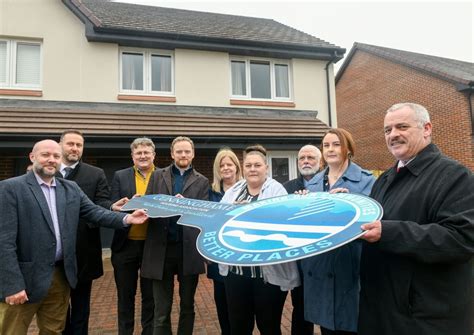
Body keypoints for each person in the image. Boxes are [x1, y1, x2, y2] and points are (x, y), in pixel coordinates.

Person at [0, 139, 148, 335]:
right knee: (12, 331)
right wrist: (12, 284)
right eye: (46, 155)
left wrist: (128, 218)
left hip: (60, 277)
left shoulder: (70, 188)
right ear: (32, 157)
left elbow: (96, 213)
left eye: (55, 156)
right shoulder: (10, 188)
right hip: (25, 279)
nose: (51, 160)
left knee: (54, 330)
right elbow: (4, 241)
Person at [359, 103, 474, 335]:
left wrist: (388, 233)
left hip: (423, 318)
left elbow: (461, 239)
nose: (393, 135)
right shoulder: (385, 179)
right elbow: (372, 226)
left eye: (402, 126)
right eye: (387, 130)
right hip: (381, 311)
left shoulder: (454, 176)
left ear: (427, 129)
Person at [218, 145, 300, 335]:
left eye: (257, 165)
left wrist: (251, 214)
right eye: (248, 165)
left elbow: (284, 225)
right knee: (238, 327)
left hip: (266, 277)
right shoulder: (233, 192)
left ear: (266, 168)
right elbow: (219, 222)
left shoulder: (277, 190)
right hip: (236, 273)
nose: (252, 169)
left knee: (269, 327)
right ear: (243, 168)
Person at [300, 129, 375, 335]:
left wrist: (347, 205)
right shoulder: (312, 184)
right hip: (320, 271)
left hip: (350, 270)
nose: (330, 149)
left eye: (336, 144)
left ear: (348, 149)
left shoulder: (366, 181)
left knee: (353, 326)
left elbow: (373, 222)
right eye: (326, 145)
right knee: (327, 329)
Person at [142, 136, 209, 335]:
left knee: (187, 306)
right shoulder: (157, 176)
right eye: (179, 151)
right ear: (172, 154)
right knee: (161, 309)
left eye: (187, 151)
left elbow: (203, 215)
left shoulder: (202, 181)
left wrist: (186, 205)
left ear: (193, 154)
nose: (183, 155)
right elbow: (148, 207)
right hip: (161, 249)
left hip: (188, 250)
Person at [57, 130, 113, 335]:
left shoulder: (95, 173)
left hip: (83, 250)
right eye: (70, 144)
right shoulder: (47, 171)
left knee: (81, 307)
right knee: (58, 309)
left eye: (79, 145)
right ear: (60, 145)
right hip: (55, 254)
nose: (74, 148)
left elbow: (102, 203)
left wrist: (112, 208)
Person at [110, 137, 156, 335]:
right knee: (125, 297)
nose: (143, 156)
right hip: (125, 245)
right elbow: (111, 206)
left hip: (153, 246)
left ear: (154, 155)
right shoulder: (120, 176)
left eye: (147, 152)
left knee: (150, 297)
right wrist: (127, 206)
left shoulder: (163, 175)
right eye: (139, 153)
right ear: (132, 156)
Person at [283, 144, 321, 335]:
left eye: (311, 157)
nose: (306, 161)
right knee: (301, 308)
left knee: (326, 309)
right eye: (302, 158)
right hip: (299, 260)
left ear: (319, 161)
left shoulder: (330, 185)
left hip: (324, 258)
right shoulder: (288, 188)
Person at [207, 148, 242, 335]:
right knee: (222, 305)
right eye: (222, 165)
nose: (226, 168)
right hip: (218, 256)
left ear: (237, 167)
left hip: (241, 257)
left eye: (230, 164)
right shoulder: (210, 192)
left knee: (241, 308)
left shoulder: (248, 188)